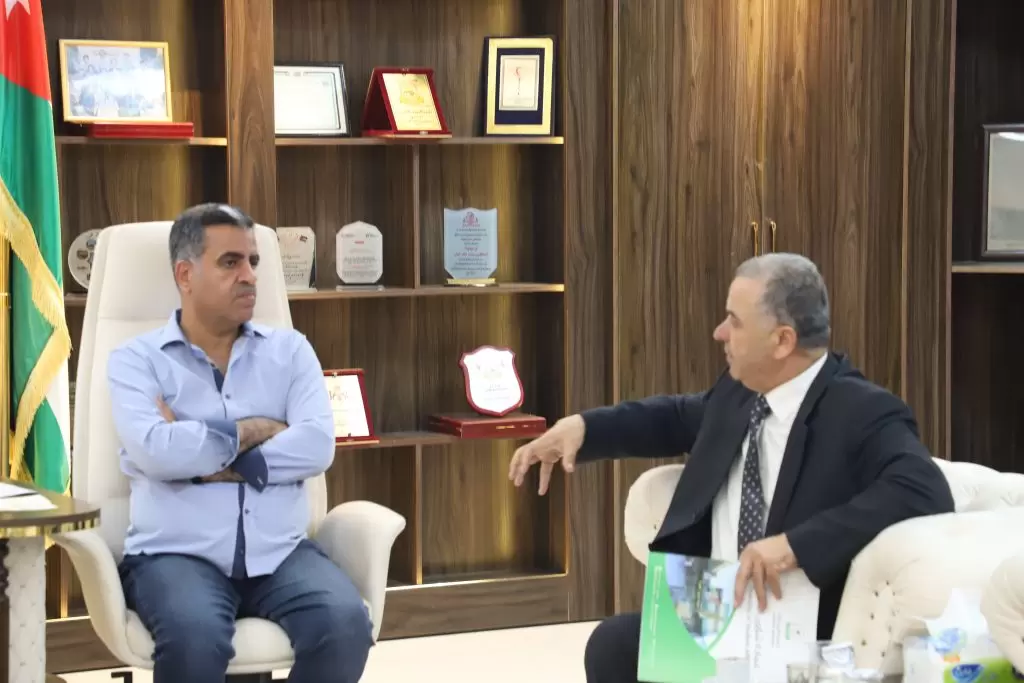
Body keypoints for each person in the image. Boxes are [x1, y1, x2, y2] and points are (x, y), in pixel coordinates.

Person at [508, 252, 955, 683]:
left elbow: (922, 488)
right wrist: (584, 428)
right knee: (613, 646)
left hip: (788, 629)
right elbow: (675, 417)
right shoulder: (741, 391)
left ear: (782, 340)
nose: (719, 332)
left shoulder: (862, 410)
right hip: (713, 611)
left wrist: (794, 545)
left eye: (734, 321)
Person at [107, 204, 372, 683]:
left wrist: (199, 455)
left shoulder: (291, 350)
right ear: (185, 275)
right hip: (177, 554)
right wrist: (257, 430)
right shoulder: (136, 360)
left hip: (281, 552)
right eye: (230, 262)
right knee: (194, 637)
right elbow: (155, 451)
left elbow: (317, 446)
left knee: (345, 624)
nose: (249, 276)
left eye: (253, 261)